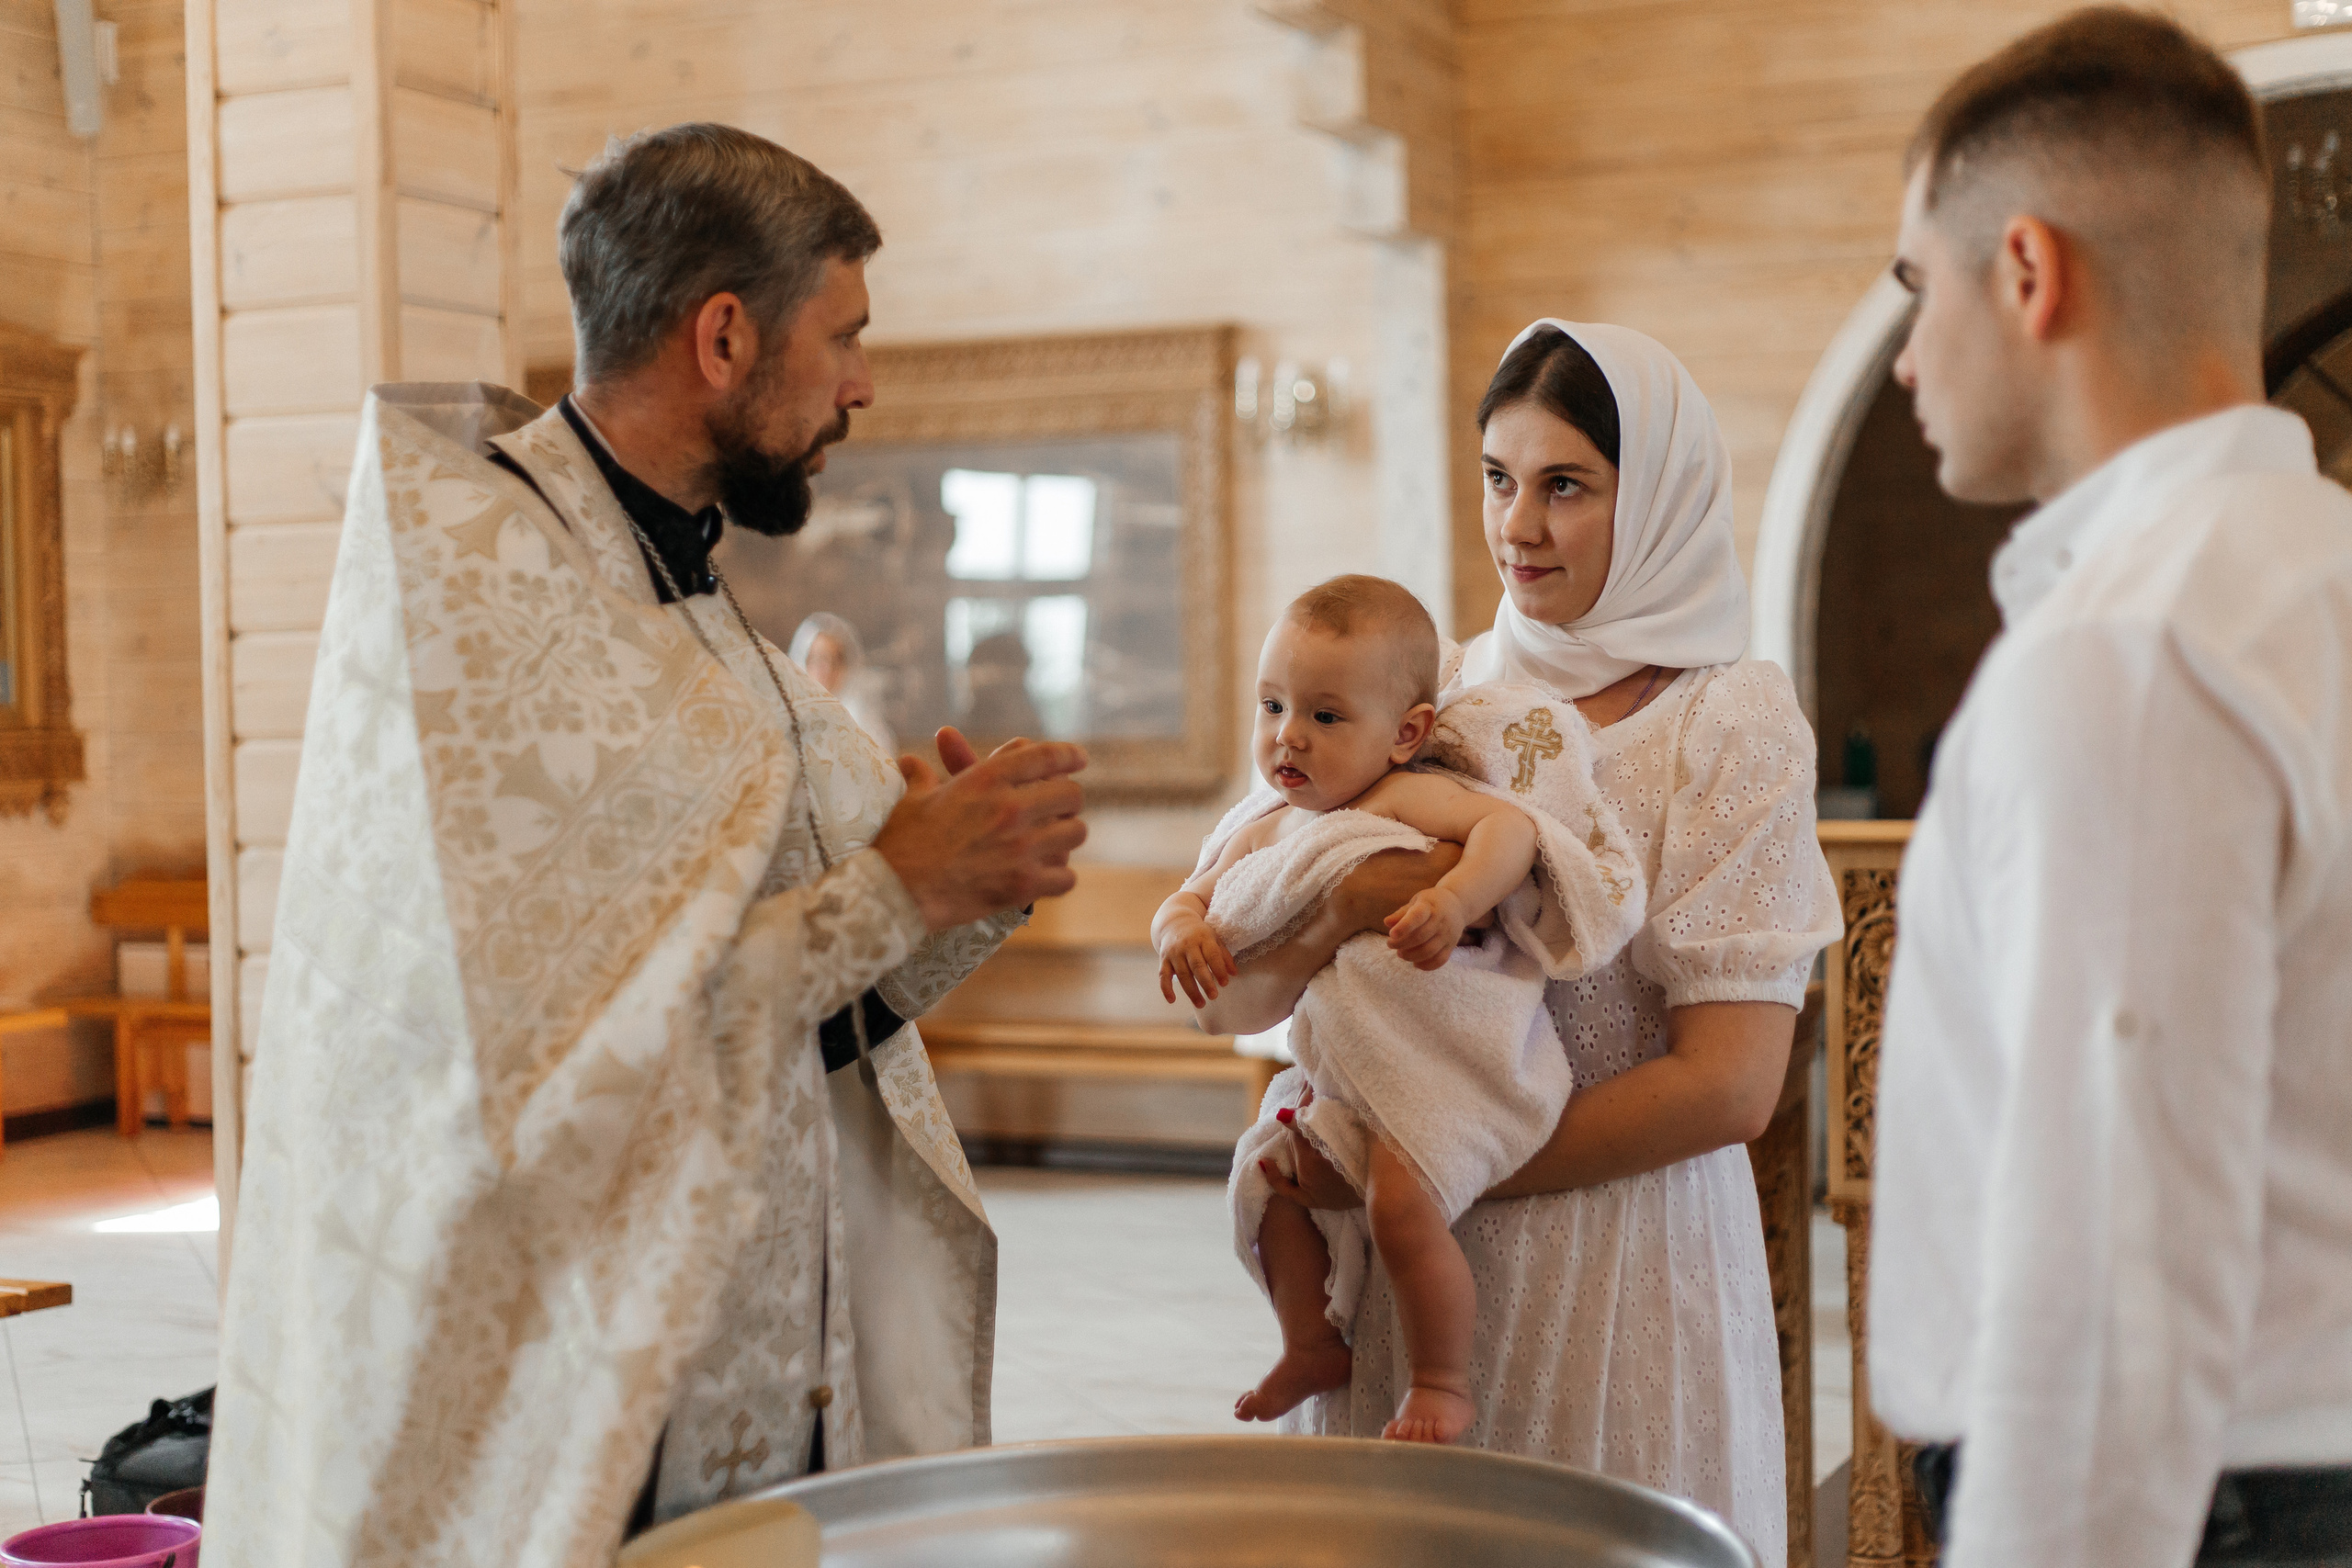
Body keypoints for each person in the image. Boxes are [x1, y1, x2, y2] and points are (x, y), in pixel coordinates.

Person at [206, 124, 1089, 1568]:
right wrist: (897, 881)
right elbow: (549, 1058)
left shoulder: (675, 581)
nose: (864, 382)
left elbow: (781, 992)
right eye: (845, 335)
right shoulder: (500, 590)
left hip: (756, 1333)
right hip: (579, 1372)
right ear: (725, 335)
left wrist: (961, 870)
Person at [1199, 321, 1838, 1563]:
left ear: (1653, 495)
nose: (1518, 525)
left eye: (1566, 485)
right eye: (1499, 476)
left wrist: (1436, 1157)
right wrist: (1333, 914)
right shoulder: (1427, 694)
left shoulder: (1729, 718)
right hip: (1409, 1262)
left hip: (1620, 1266)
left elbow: (1731, 1082)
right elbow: (1238, 989)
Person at [1870, 12, 2352, 1566]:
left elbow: (2113, 1274)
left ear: (2026, 270)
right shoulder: (2315, 578)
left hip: (2206, 1500)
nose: (1903, 355)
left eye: (1912, 288)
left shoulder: (2132, 651)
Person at [1156, 575, 1644, 1445]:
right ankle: (1311, 1340)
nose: (1287, 737)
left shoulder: (1398, 796)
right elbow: (1188, 896)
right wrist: (1180, 932)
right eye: (1271, 706)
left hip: (1450, 1060)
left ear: (1406, 733)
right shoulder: (1264, 827)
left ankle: (1441, 1380)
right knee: (1265, 1178)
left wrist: (1455, 899)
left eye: (1326, 716)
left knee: (1398, 1205)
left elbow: (1511, 833)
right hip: (1352, 1078)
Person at [789, 610, 897, 752]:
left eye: (835, 660)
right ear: (802, 661)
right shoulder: (788, 715)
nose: (826, 668)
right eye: (818, 658)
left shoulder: (863, 720)